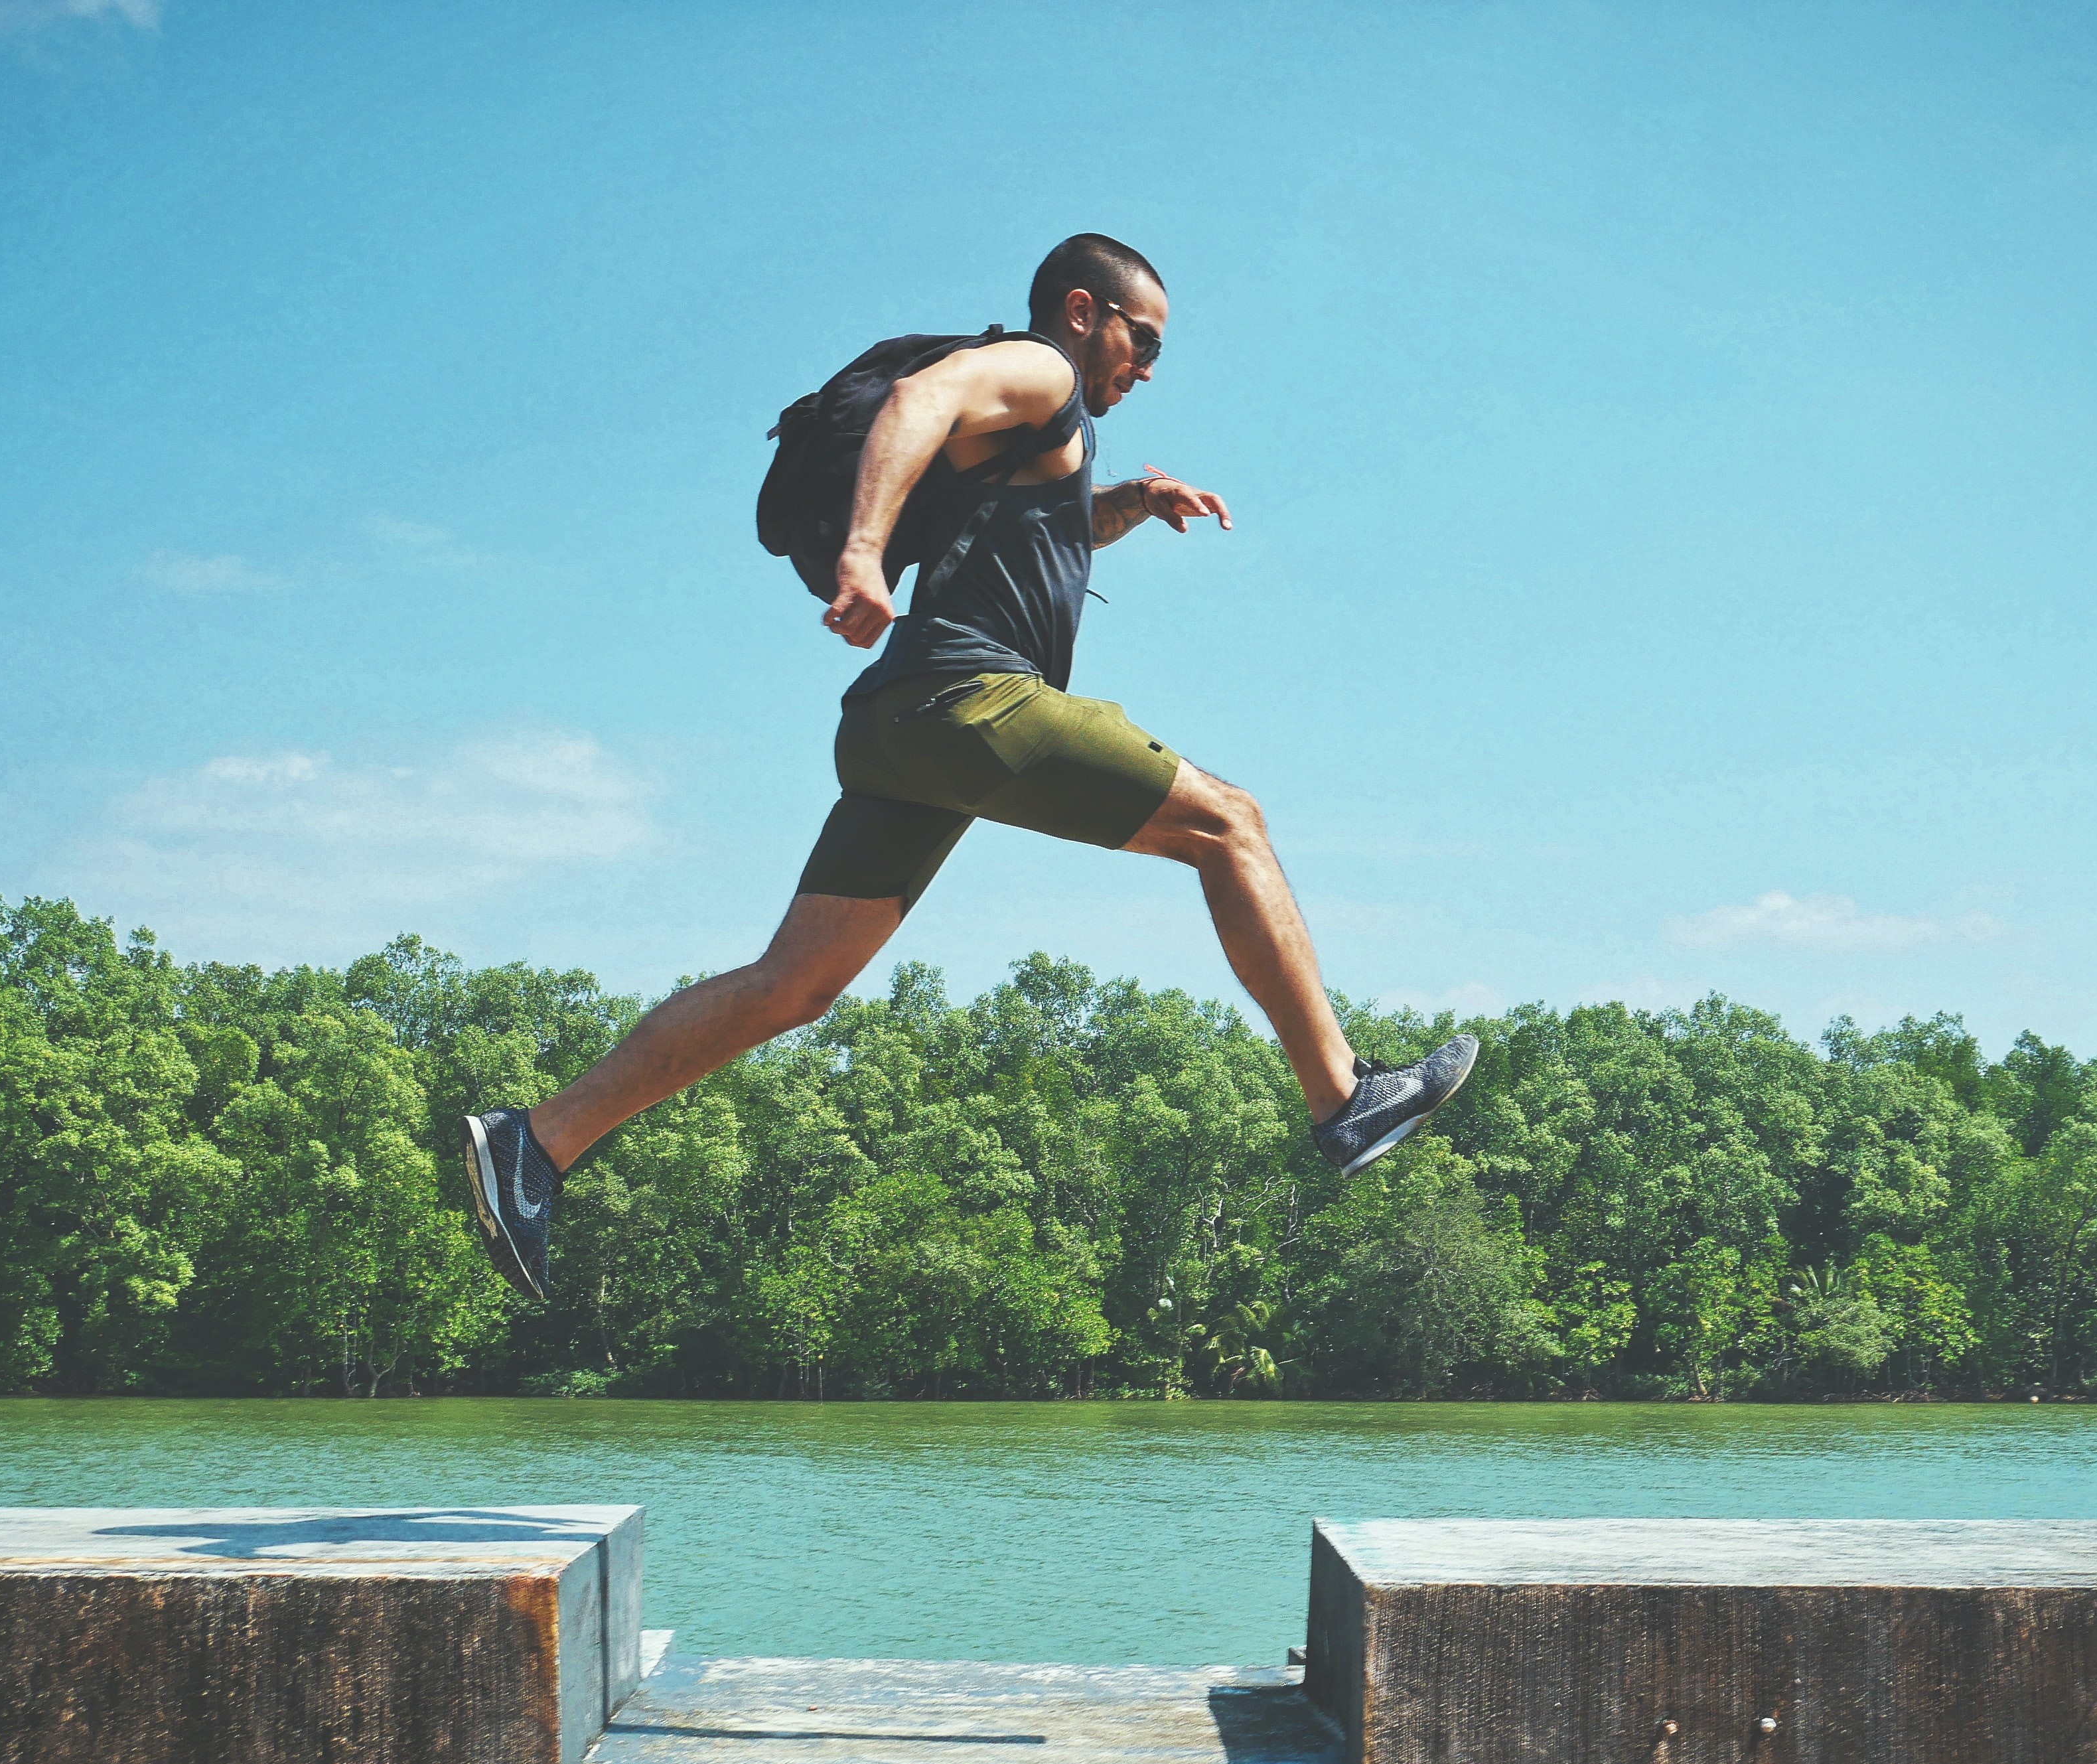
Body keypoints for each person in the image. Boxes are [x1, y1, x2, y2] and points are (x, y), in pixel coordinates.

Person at [465, 233, 1475, 1298]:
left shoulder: (1039, 435)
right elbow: (920, 402)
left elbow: (1034, 532)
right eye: (1145, 342)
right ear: (1083, 312)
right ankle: (1344, 1096)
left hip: (898, 730)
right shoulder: (1037, 369)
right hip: (966, 703)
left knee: (792, 985)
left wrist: (1127, 505)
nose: (1148, 368)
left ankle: (537, 1143)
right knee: (1230, 821)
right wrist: (862, 552)